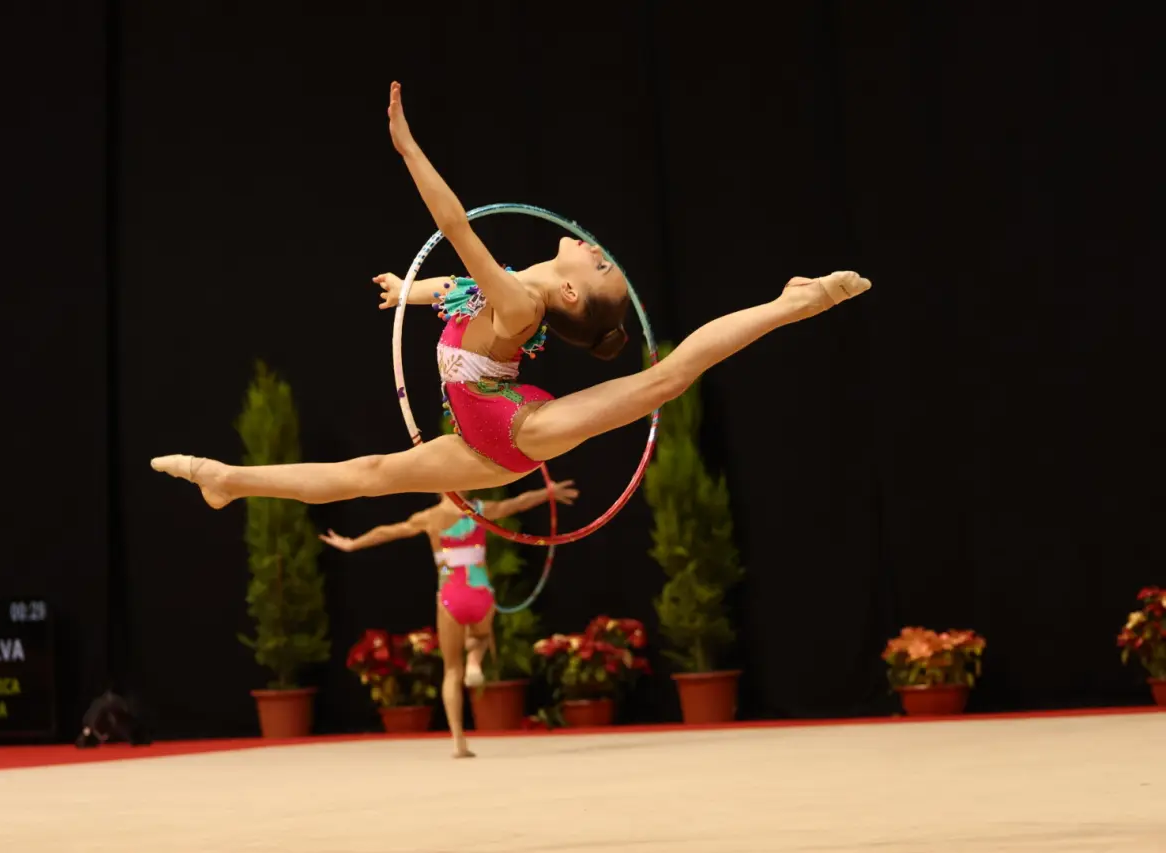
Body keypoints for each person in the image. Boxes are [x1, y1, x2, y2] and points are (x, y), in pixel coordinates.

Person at [150, 80, 871, 514]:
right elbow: (456, 289)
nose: (598, 249)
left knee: (666, 378)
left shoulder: (520, 307)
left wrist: (408, 151)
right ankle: (227, 480)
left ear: (570, 289)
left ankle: (792, 302)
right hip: (481, 436)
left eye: (603, 268)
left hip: (519, 429)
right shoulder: (507, 292)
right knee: (366, 476)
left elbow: (456, 229)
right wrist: (408, 289)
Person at [318, 482, 578, 757]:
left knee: (452, 670)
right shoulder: (479, 510)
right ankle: (475, 662)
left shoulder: (429, 518)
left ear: (439, 489)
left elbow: (388, 531)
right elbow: (516, 503)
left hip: (451, 596)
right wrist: (547, 493)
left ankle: (459, 742)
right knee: (481, 636)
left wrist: (353, 544)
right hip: (480, 592)